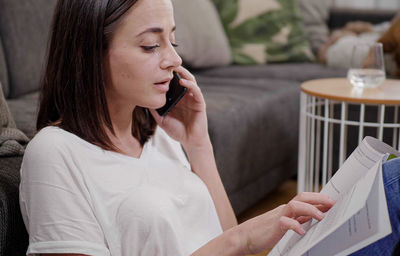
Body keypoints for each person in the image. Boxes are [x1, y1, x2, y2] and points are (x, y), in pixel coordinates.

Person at [19, 0, 336, 255]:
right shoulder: (54, 153)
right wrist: (242, 239)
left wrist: (199, 144)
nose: (173, 58)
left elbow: (224, 238)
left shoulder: (159, 134)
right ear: (88, 54)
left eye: (173, 40)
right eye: (150, 45)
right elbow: (233, 243)